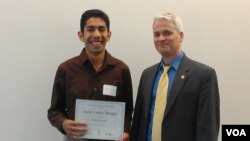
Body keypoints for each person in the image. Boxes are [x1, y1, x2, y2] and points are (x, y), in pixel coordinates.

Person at [131, 12, 220, 141]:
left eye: (167, 33)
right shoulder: (147, 75)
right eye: (157, 34)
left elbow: (207, 129)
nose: (161, 38)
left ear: (181, 36)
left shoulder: (204, 75)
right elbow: (138, 123)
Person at [47, 9, 133, 141]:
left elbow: (128, 111)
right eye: (91, 29)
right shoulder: (66, 69)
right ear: (81, 35)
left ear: (109, 34)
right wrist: (64, 124)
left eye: (101, 29)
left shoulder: (121, 70)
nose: (97, 34)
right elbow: (54, 111)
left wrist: (126, 131)